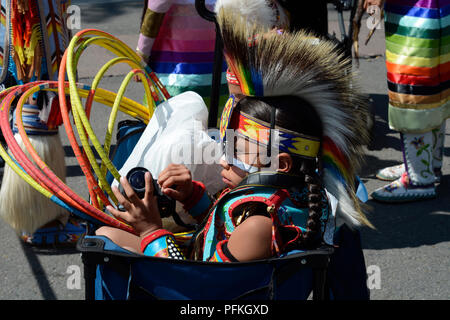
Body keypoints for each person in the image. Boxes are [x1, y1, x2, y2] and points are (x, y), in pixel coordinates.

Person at [97, 9, 372, 278]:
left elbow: (200, 287)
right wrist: (193, 196)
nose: (222, 160)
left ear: (282, 163)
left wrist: (150, 231)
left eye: (238, 152)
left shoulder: (258, 228)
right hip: (215, 279)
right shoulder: (286, 199)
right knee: (106, 236)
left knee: (104, 241)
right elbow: (224, 230)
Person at [0, 0, 85, 246]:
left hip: (26, 36)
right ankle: (42, 222)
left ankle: (38, 213)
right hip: (30, 39)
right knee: (36, 114)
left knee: (30, 113)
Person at [366, 0, 449, 202]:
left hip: (415, 16)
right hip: (435, 11)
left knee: (413, 93)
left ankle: (419, 178)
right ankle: (427, 166)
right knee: (433, 88)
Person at [136, 0, 229, 108]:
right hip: (218, 72)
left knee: (172, 118)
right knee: (215, 115)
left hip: (176, 76)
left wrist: (142, 54)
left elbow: (154, 14)